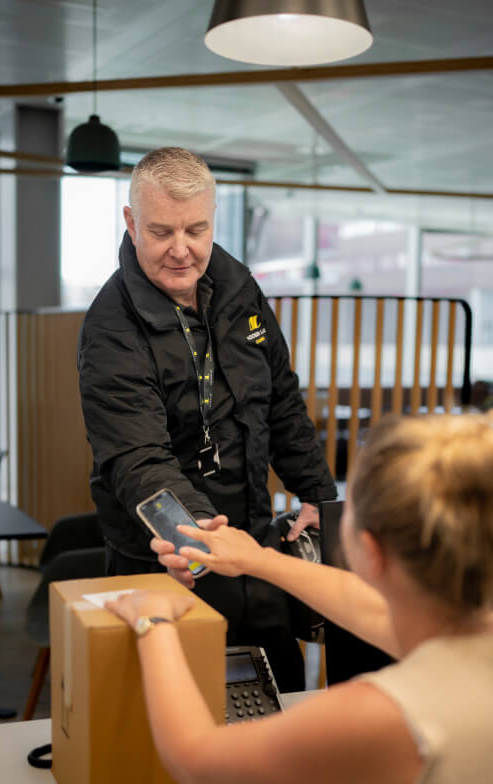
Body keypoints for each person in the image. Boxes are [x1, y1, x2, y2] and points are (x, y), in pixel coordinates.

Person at [106, 410, 493, 784]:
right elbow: (365, 606)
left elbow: (195, 758)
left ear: (371, 551)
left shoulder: (379, 715)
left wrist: (155, 621)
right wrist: (256, 558)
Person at [77, 147, 337, 692]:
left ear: (213, 217)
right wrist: (195, 538)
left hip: (255, 550)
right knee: (171, 739)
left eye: (196, 229)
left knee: (278, 711)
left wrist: (320, 498)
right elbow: (137, 458)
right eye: (161, 231)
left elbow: (282, 403)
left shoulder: (239, 289)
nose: (181, 250)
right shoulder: (111, 328)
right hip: (169, 563)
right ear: (130, 222)